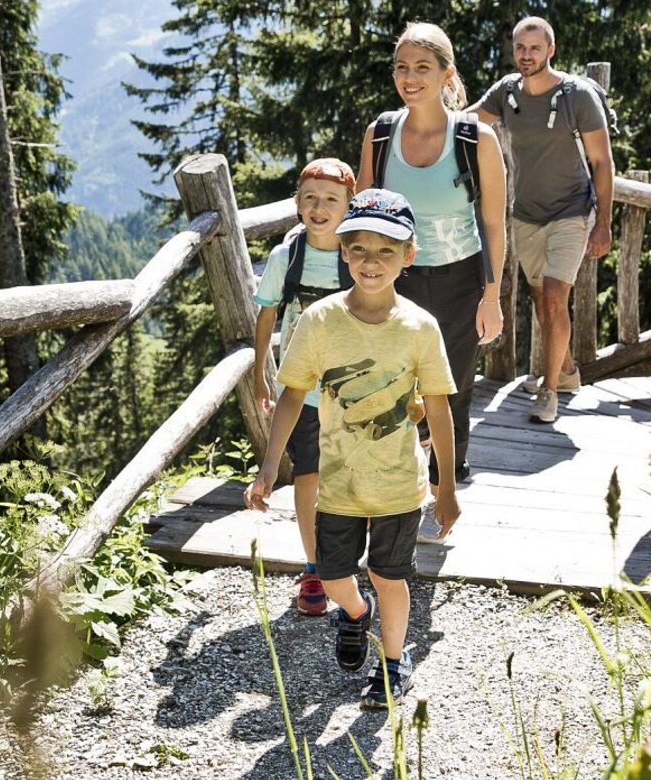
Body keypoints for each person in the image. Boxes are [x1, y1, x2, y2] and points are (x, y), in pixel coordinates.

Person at [245, 189, 460, 710]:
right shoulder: (320, 321)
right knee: (334, 576)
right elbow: (293, 393)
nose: (371, 261)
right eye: (359, 249)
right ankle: (356, 614)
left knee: (391, 576)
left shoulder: (419, 327)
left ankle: (391, 664)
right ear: (343, 251)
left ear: (409, 256)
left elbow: (438, 407)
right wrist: (270, 466)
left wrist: (445, 487)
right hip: (338, 482)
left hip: (397, 484)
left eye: (386, 251)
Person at [357, 22, 508, 489]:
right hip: (392, 280)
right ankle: (394, 473)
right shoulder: (380, 134)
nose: (410, 77)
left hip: (459, 279)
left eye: (422, 67)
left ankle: (448, 475)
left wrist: (492, 296)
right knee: (391, 378)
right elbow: (365, 215)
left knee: (452, 382)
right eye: (401, 67)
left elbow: (494, 224)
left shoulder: (475, 139)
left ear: (447, 74)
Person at [471, 16, 615, 424]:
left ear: (551, 50)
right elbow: (465, 122)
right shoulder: (507, 92)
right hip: (526, 215)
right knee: (541, 300)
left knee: (554, 296)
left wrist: (603, 222)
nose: (527, 55)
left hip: (572, 211)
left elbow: (602, 162)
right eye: (520, 48)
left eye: (535, 48)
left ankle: (548, 392)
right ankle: (567, 372)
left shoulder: (577, 96)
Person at [249, 158, 357, 617]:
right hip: (302, 388)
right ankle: (314, 566)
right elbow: (267, 314)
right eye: (310, 198)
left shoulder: (359, 254)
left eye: (331, 200)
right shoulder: (285, 257)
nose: (319, 207)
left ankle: (347, 564)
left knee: (352, 474)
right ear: (297, 204)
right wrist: (260, 373)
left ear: (350, 207)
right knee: (309, 474)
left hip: (354, 387)